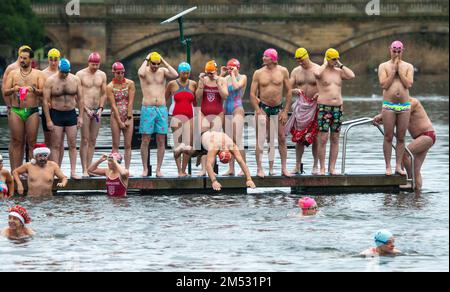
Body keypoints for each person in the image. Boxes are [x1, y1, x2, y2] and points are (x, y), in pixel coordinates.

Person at [374, 97, 436, 190]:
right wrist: (379, 121)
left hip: (427, 135)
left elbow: (400, 111)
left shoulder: (413, 102)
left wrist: (381, 115)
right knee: (416, 169)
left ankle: (409, 180)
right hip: (421, 137)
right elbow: (393, 119)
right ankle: (418, 193)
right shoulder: (401, 106)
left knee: (402, 153)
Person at [250, 48, 293, 178]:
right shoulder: (258, 73)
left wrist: (285, 111)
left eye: (266, 56)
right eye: (263, 56)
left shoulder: (283, 71)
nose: (263, 58)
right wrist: (258, 110)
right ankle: (259, 168)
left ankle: (284, 168)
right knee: (261, 140)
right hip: (263, 108)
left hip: (278, 109)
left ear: (273, 58)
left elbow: (289, 91)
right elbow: (252, 93)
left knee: (281, 138)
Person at [314, 48, 355, 175]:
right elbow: (316, 73)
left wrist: (340, 64)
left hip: (337, 108)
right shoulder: (321, 71)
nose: (335, 61)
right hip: (324, 107)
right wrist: (325, 63)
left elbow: (351, 75)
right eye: (333, 59)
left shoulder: (339, 71)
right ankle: (322, 167)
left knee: (335, 138)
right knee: (323, 138)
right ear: (327, 58)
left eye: (336, 58)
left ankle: (332, 168)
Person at [3, 47, 44, 171]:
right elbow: (5, 91)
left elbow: (43, 92)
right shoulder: (13, 73)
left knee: (32, 142)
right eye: (20, 57)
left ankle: (32, 171)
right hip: (16, 110)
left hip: (32, 110)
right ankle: (16, 171)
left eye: (25, 58)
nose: (22, 60)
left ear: (30, 59)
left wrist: (34, 90)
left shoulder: (38, 74)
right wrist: (13, 89)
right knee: (17, 141)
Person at [138, 52, 178, 177]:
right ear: (149, 62)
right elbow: (140, 73)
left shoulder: (163, 71)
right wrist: (147, 58)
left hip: (161, 108)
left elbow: (175, 74)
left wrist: (163, 60)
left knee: (161, 140)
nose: (155, 66)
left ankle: (158, 169)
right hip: (148, 108)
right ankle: (145, 168)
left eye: (157, 64)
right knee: (146, 139)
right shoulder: (144, 71)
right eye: (153, 63)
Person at [43, 58, 84, 178]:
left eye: (66, 72)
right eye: (62, 72)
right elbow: (45, 102)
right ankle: (57, 172)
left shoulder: (75, 79)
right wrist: (48, 120)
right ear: (59, 69)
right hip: (56, 114)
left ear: (69, 70)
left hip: (71, 114)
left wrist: (80, 116)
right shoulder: (50, 81)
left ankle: (73, 172)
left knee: (72, 144)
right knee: (55, 145)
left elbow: (81, 99)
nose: (64, 75)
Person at [378, 41, 414, 176]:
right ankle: (388, 166)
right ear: (390, 50)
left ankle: (398, 165)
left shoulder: (408, 66)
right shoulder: (383, 66)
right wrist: (393, 72)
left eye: (399, 51)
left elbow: (408, 84)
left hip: (404, 105)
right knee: (388, 136)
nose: (396, 53)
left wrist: (400, 71)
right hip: (389, 105)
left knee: (401, 137)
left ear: (402, 51)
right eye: (394, 51)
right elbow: (384, 85)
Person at [183, 131, 256, 191]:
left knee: (207, 154)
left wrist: (249, 179)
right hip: (202, 138)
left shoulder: (232, 146)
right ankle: (182, 148)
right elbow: (208, 165)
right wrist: (214, 181)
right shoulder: (214, 147)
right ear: (218, 153)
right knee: (193, 153)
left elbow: (241, 161)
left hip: (211, 140)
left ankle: (202, 154)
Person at [286, 48, 320, 175]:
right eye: (297, 60)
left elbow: (326, 86)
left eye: (301, 59)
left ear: (307, 56)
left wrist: (319, 93)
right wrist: (295, 91)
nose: (300, 62)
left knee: (315, 137)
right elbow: (288, 88)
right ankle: (297, 165)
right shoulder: (295, 71)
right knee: (299, 137)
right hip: (301, 107)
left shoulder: (318, 69)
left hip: (315, 105)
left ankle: (315, 165)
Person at [76, 52, 107, 177]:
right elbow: (77, 95)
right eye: (93, 64)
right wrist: (84, 109)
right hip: (85, 110)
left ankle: (89, 168)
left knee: (93, 140)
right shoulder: (80, 74)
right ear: (88, 63)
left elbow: (103, 93)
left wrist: (101, 108)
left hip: (96, 110)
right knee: (84, 140)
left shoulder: (102, 75)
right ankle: (84, 168)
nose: (95, 67)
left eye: (97, 64)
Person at [196, 60, 229, 176]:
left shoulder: (222, 80)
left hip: (217, 113)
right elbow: (198, 96)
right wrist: (201, 83)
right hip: (204, 113)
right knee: (203, 141)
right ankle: (203, 169)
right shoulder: (203, 80)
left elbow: (225, 96)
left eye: (212, 73)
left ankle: (212, 169)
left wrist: (218, 82)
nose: (210, 75)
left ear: (215, 71)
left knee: (214, 143)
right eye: (208, 73)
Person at [165, 62, 197, 177]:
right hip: (176, 116)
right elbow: (165, 99)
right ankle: (179, 171)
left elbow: (196, 102)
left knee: (188, 145)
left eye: (188, 73)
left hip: (190, 117)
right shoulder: (172, 84)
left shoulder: (193, 84)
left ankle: (184, 170)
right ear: (179, 72)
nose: (186, 75)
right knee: (178, 145)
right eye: (184, 73)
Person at [221, 58, 247, 177]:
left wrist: (232, 74)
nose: (230, 70)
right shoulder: (225, 79)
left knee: (237, 139)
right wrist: (221, 75)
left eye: (233, 67)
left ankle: (243, 168)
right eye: (229, 67)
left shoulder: (243, 77)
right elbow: (222, 92)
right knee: (229, 140)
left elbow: (236, 87)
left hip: (237, 108)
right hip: (226, 108)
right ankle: (231, 169)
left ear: (238, 67)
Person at [106, 62, 136, 170]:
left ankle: (127, 169)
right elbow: (113, 105)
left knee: (128, 145)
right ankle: (115, 169)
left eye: (122, 72)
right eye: (118, 73)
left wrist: (128, 118)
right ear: (114, 73)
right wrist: (119, 121)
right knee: (115, 144)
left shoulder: (130, 83)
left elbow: (131, 102)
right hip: (116, 115)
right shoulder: (110, 86)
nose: (120, 75)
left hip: (128, 114)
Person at [41, 48, 63, 158]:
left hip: (60, 110)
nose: (53, 62)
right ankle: (48, 167)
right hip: (48, 110)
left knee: (60, 142)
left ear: (59, 60)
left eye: (55, 60)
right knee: (48, 140)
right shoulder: (43, 74)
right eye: (51, 59)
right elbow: (41, 94)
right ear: (48, 60)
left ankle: (58, 168)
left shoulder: (63, 73)